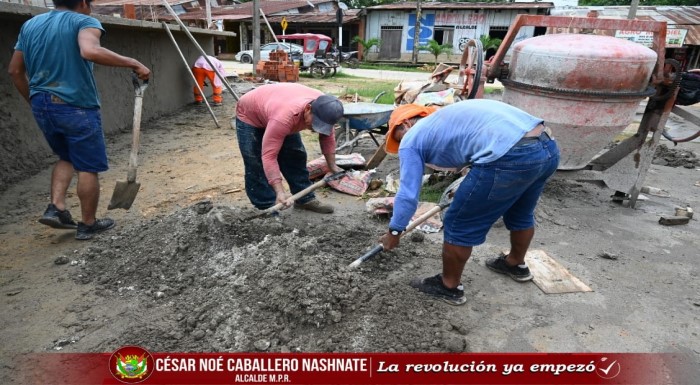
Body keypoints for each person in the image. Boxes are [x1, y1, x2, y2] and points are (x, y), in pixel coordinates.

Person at [380, 100, 560, 305]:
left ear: (406, 124)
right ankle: (515, 264)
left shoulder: (413, 137)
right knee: (520, 212)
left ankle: (449, 286)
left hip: (510, 156)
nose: (402, 143)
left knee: (458, 223)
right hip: (546, 148)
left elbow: (407, 194)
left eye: (398, 136)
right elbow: (475, 152)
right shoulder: (448, 119)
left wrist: (395, 231)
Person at [8, 0, 151, 240]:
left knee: (66, 156)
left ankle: (57, 207)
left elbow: (15, 70)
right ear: (83, 2)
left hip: (42, 104)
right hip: (76, 105)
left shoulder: (31, 24)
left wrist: (34, 101)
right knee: (87, 166)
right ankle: (88, 224)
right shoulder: (84, 21)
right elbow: (90, 51)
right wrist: (134, 63)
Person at [235, 83, 344, 213]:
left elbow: (327, 138)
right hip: (251, 114)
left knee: (295, 156)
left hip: (278, 109)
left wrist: (332, 167)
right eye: (316, 124)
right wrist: (280, 191)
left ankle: (305, 199)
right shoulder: (284, 117)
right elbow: (269, 156)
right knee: (256, 162)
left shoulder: (327, 110)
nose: (316, 128)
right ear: (308, 108)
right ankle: (267, 207)